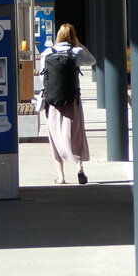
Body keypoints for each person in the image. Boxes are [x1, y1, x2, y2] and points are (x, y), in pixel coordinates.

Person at [38, 23, 95, 184]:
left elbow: (43, 78)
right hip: (73, 100)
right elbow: (92, 61)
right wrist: (78, 44)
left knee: (55, 136)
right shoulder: (76, 52)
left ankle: (61, 176)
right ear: (73, 35)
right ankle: (79, 168)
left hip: (52, 102)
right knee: (75, 134)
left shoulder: (47, 52)